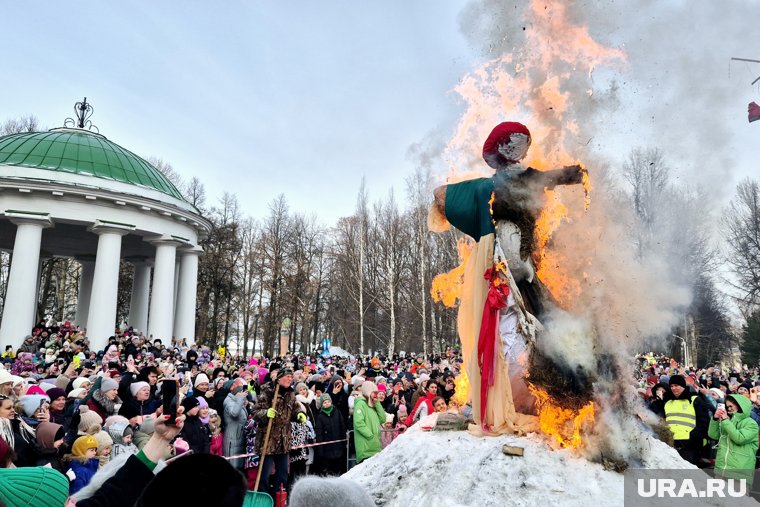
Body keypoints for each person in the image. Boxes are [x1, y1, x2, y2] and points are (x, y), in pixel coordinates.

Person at [430, 121, 584, 435]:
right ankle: (509, 399)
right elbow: (442, 194)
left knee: (529, 330)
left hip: (516, 273)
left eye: (522, 143)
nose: (519, 150)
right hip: (501, 275)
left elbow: (565, 175)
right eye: (513, 143)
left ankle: (534, 397)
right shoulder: (491, 190)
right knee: (511, 334)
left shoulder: (518, 183)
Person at [253, 367, 306, 497]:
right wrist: (265, 413)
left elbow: (295, 409)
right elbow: (254, 412)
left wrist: (299, 414)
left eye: (291, 376)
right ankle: (263, 500)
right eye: (287, 376)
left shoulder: (290, 394)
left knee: (283, 474)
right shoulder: (267, 392)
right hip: (268, 440)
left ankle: (279, 499)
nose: (290, 379)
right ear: (279, 378)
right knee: (264, 475)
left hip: (283, 441)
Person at [708, 393, 759, 487]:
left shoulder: (751, 424)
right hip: (722, 470)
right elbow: (713, 435)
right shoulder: (727, 421)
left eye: (731, 406)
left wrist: (725, 421)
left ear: (740, 405)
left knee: (738, 501)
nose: (729, 409)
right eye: (727, 407)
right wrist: (715, 419)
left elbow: (739, 438)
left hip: (739, 473)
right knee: (716, 500)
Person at [665, 374, 710, 465]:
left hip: (690, 446)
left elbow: (704, 422)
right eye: (671, 386)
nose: (673, 388)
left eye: (676, 385)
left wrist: (692, 438)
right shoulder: (668, 403)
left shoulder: (695, 400)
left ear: (683, 386)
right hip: (671, 444)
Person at [353, 381, 386, 464]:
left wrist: (377, 403)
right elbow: (359, 423)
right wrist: (370, 436)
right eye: (374, 392)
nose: (376, 395)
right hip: (366, 450)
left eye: (377, 392)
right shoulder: (360, 404)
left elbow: (382, 419)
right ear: (368, 391)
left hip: (375, 448)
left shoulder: (372, 405)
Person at [314, 393, 346, 475]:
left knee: (338, 469)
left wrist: (344, 442)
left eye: (328, 401)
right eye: (324, 402)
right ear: (322, 405)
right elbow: (319, 433)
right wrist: (320, 449)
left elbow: (342, 427)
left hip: (338, 447)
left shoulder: (337, 412)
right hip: (327, 450)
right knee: (328, 470)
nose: (327, 403)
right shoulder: (320, 416)